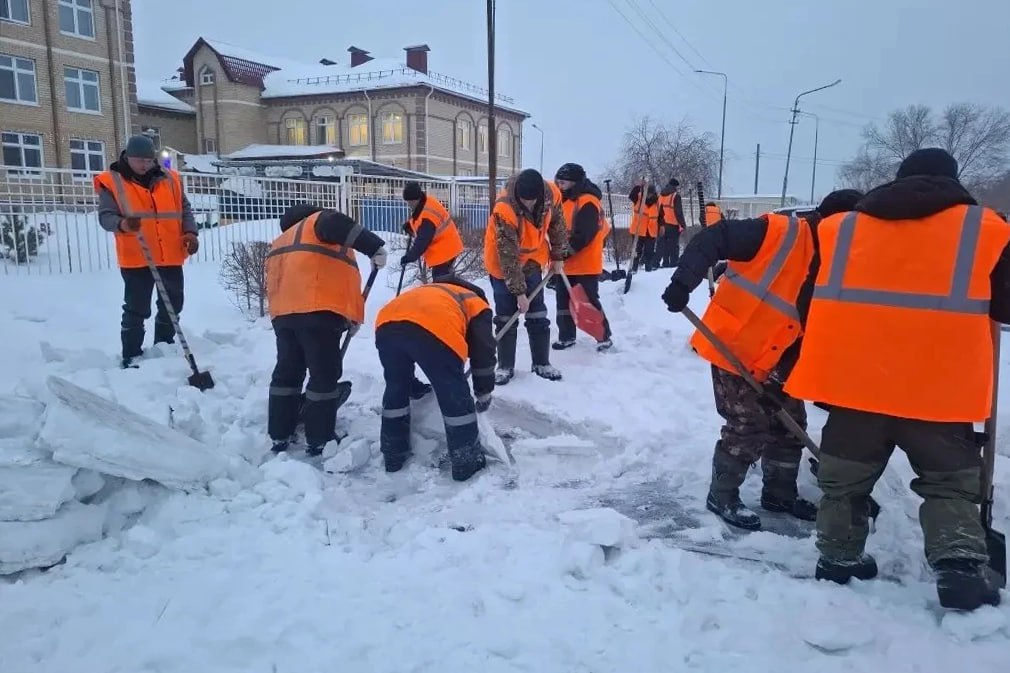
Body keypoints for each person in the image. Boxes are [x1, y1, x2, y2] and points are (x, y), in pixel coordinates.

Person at [784, 148, 1010, 610]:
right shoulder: (986, 229)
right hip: (939, 391)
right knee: (948, 483)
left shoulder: (840, 227)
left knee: (843, 481)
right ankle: (960, 567)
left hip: (854, 384)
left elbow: (808, 301)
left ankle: (838, 558)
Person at [662, 189, 863, 530]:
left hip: (781, 358)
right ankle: (722, 493)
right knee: (748, 425)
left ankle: (779, 494)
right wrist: (683, 281)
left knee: (789, 424)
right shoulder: (780, 233)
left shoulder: (839, 260)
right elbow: (716, 237)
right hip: (735, 347)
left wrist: (784, 377)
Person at [265, 204, 387, 456]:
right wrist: (373, 246)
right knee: (324, 375)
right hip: (317, 313)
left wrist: (351, 318)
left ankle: (279, 433)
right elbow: (334, 222)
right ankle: (319, 438)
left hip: (284, 316)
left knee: (287, 374)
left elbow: (333, 277)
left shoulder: (282, 240)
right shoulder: (317, 223)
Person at [374, 276, 496, 481]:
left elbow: (408, 337)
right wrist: (483, 391)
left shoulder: (432, 291)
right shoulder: (476, 302)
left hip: (385, 324)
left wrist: (414, 387)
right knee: (453, 393)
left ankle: (393, 453)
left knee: (396, 386)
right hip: (433, 327)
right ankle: (466, 461)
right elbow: (483, 353)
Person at [95, 135, 199, 369]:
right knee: (137, 307)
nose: (143, 165)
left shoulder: (170, 178)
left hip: (170, 253)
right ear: (127, 157)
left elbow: (184, 209)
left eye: (148, 161)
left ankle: (164, 346)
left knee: (173, 304)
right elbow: (106, 216)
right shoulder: (113, 182)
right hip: (136, 256)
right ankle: (131, 355)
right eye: (138, 161)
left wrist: (191, 233)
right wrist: (123, 224)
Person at [483, 168, 568, 385]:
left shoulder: (551, 194)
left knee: (537, 313)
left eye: (532, 201)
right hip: (503, 266)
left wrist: (558, 255)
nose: (528, 205)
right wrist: (519, 293)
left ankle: (541, 362)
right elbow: (508, 256)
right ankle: (504, 366)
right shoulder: (504, 209)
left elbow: (558, 225)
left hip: (533, 260)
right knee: (505, 317)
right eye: (524, 201)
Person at [552, 162, 613, 352]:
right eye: (558, 182)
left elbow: (584, 235)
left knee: (588, 303)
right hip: (566, 263)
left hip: (585, 263)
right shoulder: (563, 201)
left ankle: (603, 337)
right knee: (563, 302)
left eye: (563, 182)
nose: (559, 186)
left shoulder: (587, 201)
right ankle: (566, 336)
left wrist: (564, 253)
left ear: (574, 183)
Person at [400, 182, 464, 279]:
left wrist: (409, 256)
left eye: (410, 201)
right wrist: (410, 225)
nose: (409, 204)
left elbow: (422, 240)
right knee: (442, 282)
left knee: (441, 283)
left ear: (417, 199)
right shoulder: (426, 202)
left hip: (445, 250)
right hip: (444, 249)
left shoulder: (428, 215)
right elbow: (420, 221)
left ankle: (463, 292)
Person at [628, 183, 660, 272]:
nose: (649, 196)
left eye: (650, 194)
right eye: (647, 193)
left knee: (649, 252)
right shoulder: (638, 199)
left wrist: (662, 226)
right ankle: (633, 269)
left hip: (650, 231)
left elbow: (660, 215)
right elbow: (631, 195)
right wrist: (639, 185)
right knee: (636, 252)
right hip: (637, 230)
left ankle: (648, 270)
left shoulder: (656, 202)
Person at [657, 178, 686, 268]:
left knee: (664, 244)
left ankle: (665, 262)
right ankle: (673, 263)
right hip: (673, 224)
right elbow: (678, 212)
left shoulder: (661, 195)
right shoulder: (675, 196)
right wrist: (682, 224)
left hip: (662, 224)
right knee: (673, 245)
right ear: (675, 186)